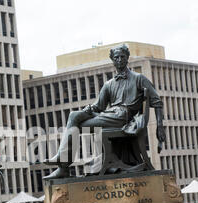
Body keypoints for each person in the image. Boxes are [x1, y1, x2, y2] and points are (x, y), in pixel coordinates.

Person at [44, 44, 166, 180]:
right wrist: (88, 110)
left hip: (122, 117)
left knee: (75, 122)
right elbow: (98, 106)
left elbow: (157, 102)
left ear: (127, 58)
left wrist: (160, 126)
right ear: (112, 61)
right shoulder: (109, 84)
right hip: (109, 115)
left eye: (122, 57)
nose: (119, 60)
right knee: (74, 115)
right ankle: (63, 163)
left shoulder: (139, 78)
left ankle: (63, 165)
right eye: (116, 57)